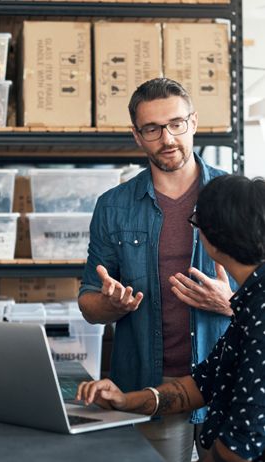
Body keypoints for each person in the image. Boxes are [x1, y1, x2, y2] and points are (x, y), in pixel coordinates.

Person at [78, 77, 237, 462]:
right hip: (149, 386)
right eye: (153, 128)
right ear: (137, 136)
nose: (167, 138)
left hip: (231, 381)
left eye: (176, 124)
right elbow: (88, 303)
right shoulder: (113, 206)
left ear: (193, 122)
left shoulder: (236, 197)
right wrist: (110, 305)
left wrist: (231, 302)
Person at [77, 174, 265, 462]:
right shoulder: (249, 304)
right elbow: (200, 384)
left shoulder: (258, 314)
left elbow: (242, 444)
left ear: (211, 239)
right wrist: (126, 400)